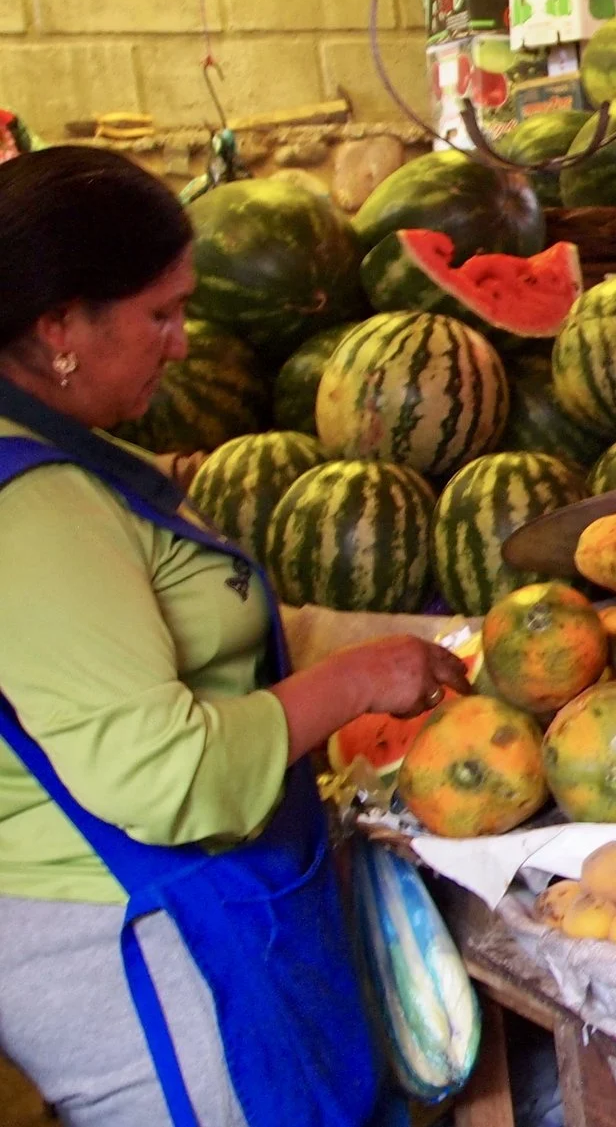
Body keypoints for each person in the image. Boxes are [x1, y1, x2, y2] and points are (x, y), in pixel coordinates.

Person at [0, 147, 470, 1127]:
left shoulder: (69, 454)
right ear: (57, 330)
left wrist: (420, 636)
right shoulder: (36, 509)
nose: (182, 342)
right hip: (137, 941)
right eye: (159, 314)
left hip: (188, 908)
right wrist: (359, 677)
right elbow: (163, 773)